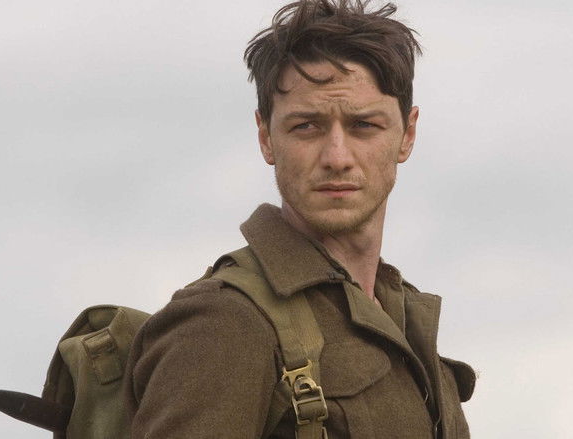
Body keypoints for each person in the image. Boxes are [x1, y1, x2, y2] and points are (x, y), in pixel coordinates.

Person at [125, 0, 476, 437]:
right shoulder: (225, 321)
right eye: (306, 126)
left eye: (364, 125)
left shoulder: (403, 318)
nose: (337, 157)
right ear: (265, 137)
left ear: (407, 134)